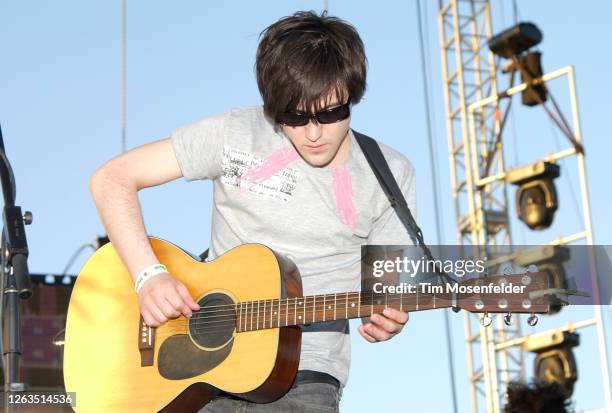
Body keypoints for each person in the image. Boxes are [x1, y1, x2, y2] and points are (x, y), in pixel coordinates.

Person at [89, 10, 416, 412]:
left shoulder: (390, 173)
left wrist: (390, 317)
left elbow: (386, 293)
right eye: (295, 116)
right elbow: (112, 179)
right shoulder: (235, 134)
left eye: (331, 113)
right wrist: (148, 276)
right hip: (201, 373)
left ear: (354, 94)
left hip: (304, 374)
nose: (314, 133)